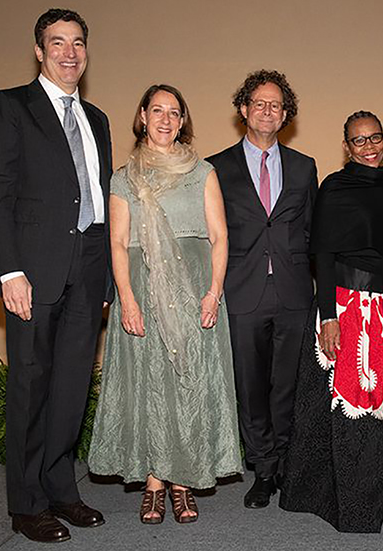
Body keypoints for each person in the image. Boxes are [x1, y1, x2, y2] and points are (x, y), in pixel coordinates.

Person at [0, 8, 110, 543]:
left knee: (72, 387)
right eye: (57, 43)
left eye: (77, 43)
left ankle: (60, 489)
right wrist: (9, 270)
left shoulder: (97, 118)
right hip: (33, 271)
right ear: (39, 51)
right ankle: (26, 503)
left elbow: (95, 197)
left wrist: (103, 277)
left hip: (89, 267)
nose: (69, 53)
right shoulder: (11, 106)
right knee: (31, 386)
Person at [279, 111, 383, 533]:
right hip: (346, 310)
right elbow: (325, 256)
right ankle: (342, 500)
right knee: (347, 408)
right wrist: (330, 317)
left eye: (375, 138)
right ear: (347, 146)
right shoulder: (335, 188)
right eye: (359, 141)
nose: (368, 147)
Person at [87, 85, 242, 525]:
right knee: (150, 383)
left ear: (182, 120)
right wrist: (127, 300)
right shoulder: (124, 176)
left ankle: (183, 481)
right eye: (158, 110)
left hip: (193, 289)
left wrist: (213, 292)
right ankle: (154, 481)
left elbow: (220, 236)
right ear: (142, 115)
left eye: (175, 113)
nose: (166, 119)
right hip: (141, 289)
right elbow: (117, 242)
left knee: (188, 383)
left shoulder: (202, 171)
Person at [206, 70, 318, 509]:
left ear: (285, 114)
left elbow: (312, 233)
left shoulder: (304, 166)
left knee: (288, 384)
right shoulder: (215, 167)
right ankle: (263, 469)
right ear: (243, 110)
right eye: (259, 103)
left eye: (276, 105)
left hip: (293, 294)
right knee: (250, 386)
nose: (267, 110)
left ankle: (287, 464)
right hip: (242, 291)